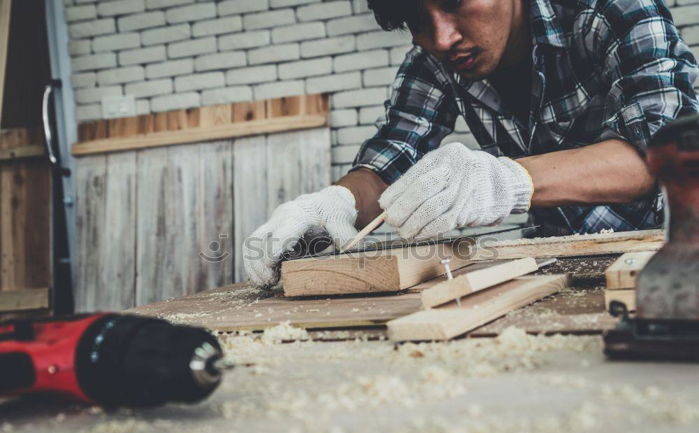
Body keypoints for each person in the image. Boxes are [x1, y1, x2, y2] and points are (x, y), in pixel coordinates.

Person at [244, 0, 698, 287]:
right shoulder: (436, 60)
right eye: (417, 21)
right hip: (554, 263)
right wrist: (333, 204)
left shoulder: (613, 11)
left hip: (668, 258)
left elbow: (662, 154)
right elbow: (393, 154)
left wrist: (507, 180)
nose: (442, 38)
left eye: (456, 2)